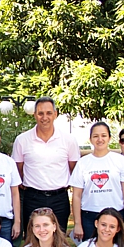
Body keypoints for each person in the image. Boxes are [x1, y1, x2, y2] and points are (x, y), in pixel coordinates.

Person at [11, 96, 80, 236]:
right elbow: (18, 168)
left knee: (58, 239)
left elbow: (74, 168)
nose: (44, 117)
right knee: (33, 238)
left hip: (59, 198)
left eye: (49, 113)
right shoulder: (22, 140)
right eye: (40, 113)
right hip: (32, 197)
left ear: (55, 114)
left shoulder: (68, 140)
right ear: (35, 115)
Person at [71, 122, 124, 241]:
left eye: (104, 135)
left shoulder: (120, 160)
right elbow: (77, 196)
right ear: (90, 139)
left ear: (109, 138)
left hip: (116, 214)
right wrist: (77, 224)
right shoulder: (83, 163)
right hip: (89, 216)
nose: (100, 139)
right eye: (96, 136)